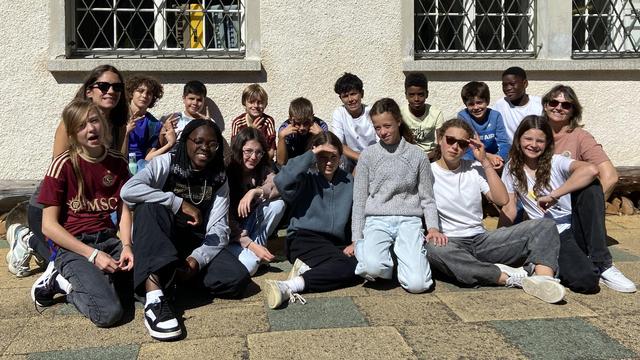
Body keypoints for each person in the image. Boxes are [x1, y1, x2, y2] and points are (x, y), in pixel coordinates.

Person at [121, 119, 250, 341]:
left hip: (194, 243)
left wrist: (196, 260)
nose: (205, 148)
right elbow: (128, 191)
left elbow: (219, 227)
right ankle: (154, 297)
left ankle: (170, 277)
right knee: (149, 206)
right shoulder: (165, 163)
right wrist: (176, 202)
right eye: (198, 141)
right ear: (185, 141)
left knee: (235, 278)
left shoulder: (219, 177)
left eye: (212, 144)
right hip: (160, 235)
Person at [426, 118, 566, 304]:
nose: (455, 147)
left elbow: (502, 200)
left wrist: (484, 161)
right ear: (440, 139)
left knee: (545, 225)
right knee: (433, 249)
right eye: (450, 140)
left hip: (482, 240)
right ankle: (508, 277)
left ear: (469, 146)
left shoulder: (474, 169)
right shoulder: (428, 172)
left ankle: (543, 280)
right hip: (451, 242)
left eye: (462, 143)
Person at [11, 64, 129, 278]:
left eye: (117, 87)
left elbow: (118, 176)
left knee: (105, 267)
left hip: (89, 211)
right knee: (69, 266)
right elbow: (57, 170)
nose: (111, 91)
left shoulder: (119, 127)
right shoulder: (71, 123)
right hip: (53, 210)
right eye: (103, 86)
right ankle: (27, 238)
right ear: (88, 91)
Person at [500, 116, 636, 293]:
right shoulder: (511, 169)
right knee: (586, 282)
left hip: (574, 227)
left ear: (547, 143)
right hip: (550, 234)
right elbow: (510, 208)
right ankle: (545, 266)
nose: (533, 144)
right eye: (528, 139)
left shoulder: (555, 161)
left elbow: (592, 169)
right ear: (519, 139)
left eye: (540, 140)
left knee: (592, 186)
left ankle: (602, 264)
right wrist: (498, 242)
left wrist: (554, 195)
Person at [30, 99, 134, 327]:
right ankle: (61, 282)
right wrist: (93, 255)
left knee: (144, 288)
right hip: (73, 246)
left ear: (103, 124)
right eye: (81, 126)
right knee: (108, 313)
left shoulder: (117, 162)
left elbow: (124, 209)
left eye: (94, 121)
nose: (91, 129)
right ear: (72, 134)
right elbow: (48, 225)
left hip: (108, 240)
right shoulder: (63, 164)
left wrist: (126, 245)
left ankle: (100, 282)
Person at [352, 98, 443, 293]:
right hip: (376, 221)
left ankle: (400, 258)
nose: (382, 132)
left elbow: (427, 198)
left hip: (409, 221)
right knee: (370, 267)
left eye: (387, 126)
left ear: (398, 122)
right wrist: (356, 238)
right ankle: (385, 257)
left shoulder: (417, 156)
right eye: (377, 127)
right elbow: (359, 200)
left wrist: (433, 227)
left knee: (418, 285)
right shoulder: (367, 156)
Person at [264, 132, 362, 309]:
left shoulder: (348, 180)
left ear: (340, 156)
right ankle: (289, 286)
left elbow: (356, 212)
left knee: (361, 265)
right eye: (323, 157)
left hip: (334, 243)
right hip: (303, 238)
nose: (329, 162)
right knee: (346, 266)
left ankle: (308, 269)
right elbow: (282, 180)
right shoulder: (306, 177)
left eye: (334, 156)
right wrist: (310, 155)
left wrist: (355, 241)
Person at [541, 84, 618, 201]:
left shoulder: (581, 137)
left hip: (567, 208)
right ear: (545, 106)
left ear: (573, 111)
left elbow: (610, 177)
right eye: (553, 103)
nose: (558, 107)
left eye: (566, 105)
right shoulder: (534, 133)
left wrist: (588, 207)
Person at [227, 127, 286, 275]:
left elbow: (278, 185)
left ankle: (258, 250)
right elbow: (225, 218)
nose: (254, 157)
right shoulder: (227, 170)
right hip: (230, 234)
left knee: (278, 204)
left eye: (259, 152)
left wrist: (255, 191)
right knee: (250, 266)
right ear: (239, 149)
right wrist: (250, 245)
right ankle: (256, 252)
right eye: (248, 151)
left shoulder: (262, 169)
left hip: (250, 226)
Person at [123, 74, 173, 170]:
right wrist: (126, 132)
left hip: (139, 170)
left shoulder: (154, 124)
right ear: (131, 93)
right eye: (140, 91)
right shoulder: (119, 116)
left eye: (149, 93)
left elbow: (148, 158)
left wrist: (170, 144)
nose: (144, 95)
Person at [457, 81, 510, 170]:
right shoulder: (463, 116)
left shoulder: (495, 115)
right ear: (466, 105)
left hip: (494, 154)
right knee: (464, 158)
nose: (476, 107)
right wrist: (486, 156)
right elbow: (466, 144)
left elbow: (503, 142)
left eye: (479, 102)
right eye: (471, 104)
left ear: (487, 101)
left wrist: (499, 159)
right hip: (472, 153)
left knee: (510, 155)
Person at [330, 72, 376, 172]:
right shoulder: (339, 113)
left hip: (373, 157)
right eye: (345, 96)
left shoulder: (372, 112)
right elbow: (338, 144)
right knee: (338, 157)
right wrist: (360, 158)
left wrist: (364, 161)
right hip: (350, 159)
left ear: (361, 94)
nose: (350, 99)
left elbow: (381, 142)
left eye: (353, 94)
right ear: (341, 98)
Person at [400, 72, 444, 160]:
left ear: (427, 94)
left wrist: (426, 157)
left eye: (420, 94)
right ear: (406, 95)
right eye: (411, 95)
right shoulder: (401, 114)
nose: (416, 99)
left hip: (431, 156)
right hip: (407, 156)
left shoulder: (436, 113)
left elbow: (441, 143)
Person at [493, 67, 543, 143]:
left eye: (512, 84)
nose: (508, 88)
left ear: (525, 83)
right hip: (509, 152)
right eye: (504, 85)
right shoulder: (500, 105)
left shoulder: (539, 104)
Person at [276, 97, 328, 167]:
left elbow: (327, 157)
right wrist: (281, 137)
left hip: (313, 165)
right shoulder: (284, 129)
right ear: (290, 120)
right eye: (298, 123)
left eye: (306, 123)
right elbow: (281, 163)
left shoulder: (320, 125)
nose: (302, 128)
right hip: (292, 165)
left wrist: (321, 136)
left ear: (312, 117)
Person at [230, 84, 277, 161]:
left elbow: (271, 151)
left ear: (265, 104)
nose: (255, 106)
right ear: (244, 103)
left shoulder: (268, 121)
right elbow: (234, 150)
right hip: (243, 163)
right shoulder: (238, 123)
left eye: (260, 102)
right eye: (251, 102)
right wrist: (251, 131)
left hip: (263, 161)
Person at [159, 80, 212, 148]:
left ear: (204, 101)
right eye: (191, 98)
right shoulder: (174, 119)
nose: (195, 103)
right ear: (184, 99)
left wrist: (210, 126)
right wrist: (163, 130)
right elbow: (161, 145)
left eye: (199, 100)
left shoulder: (208, 122)